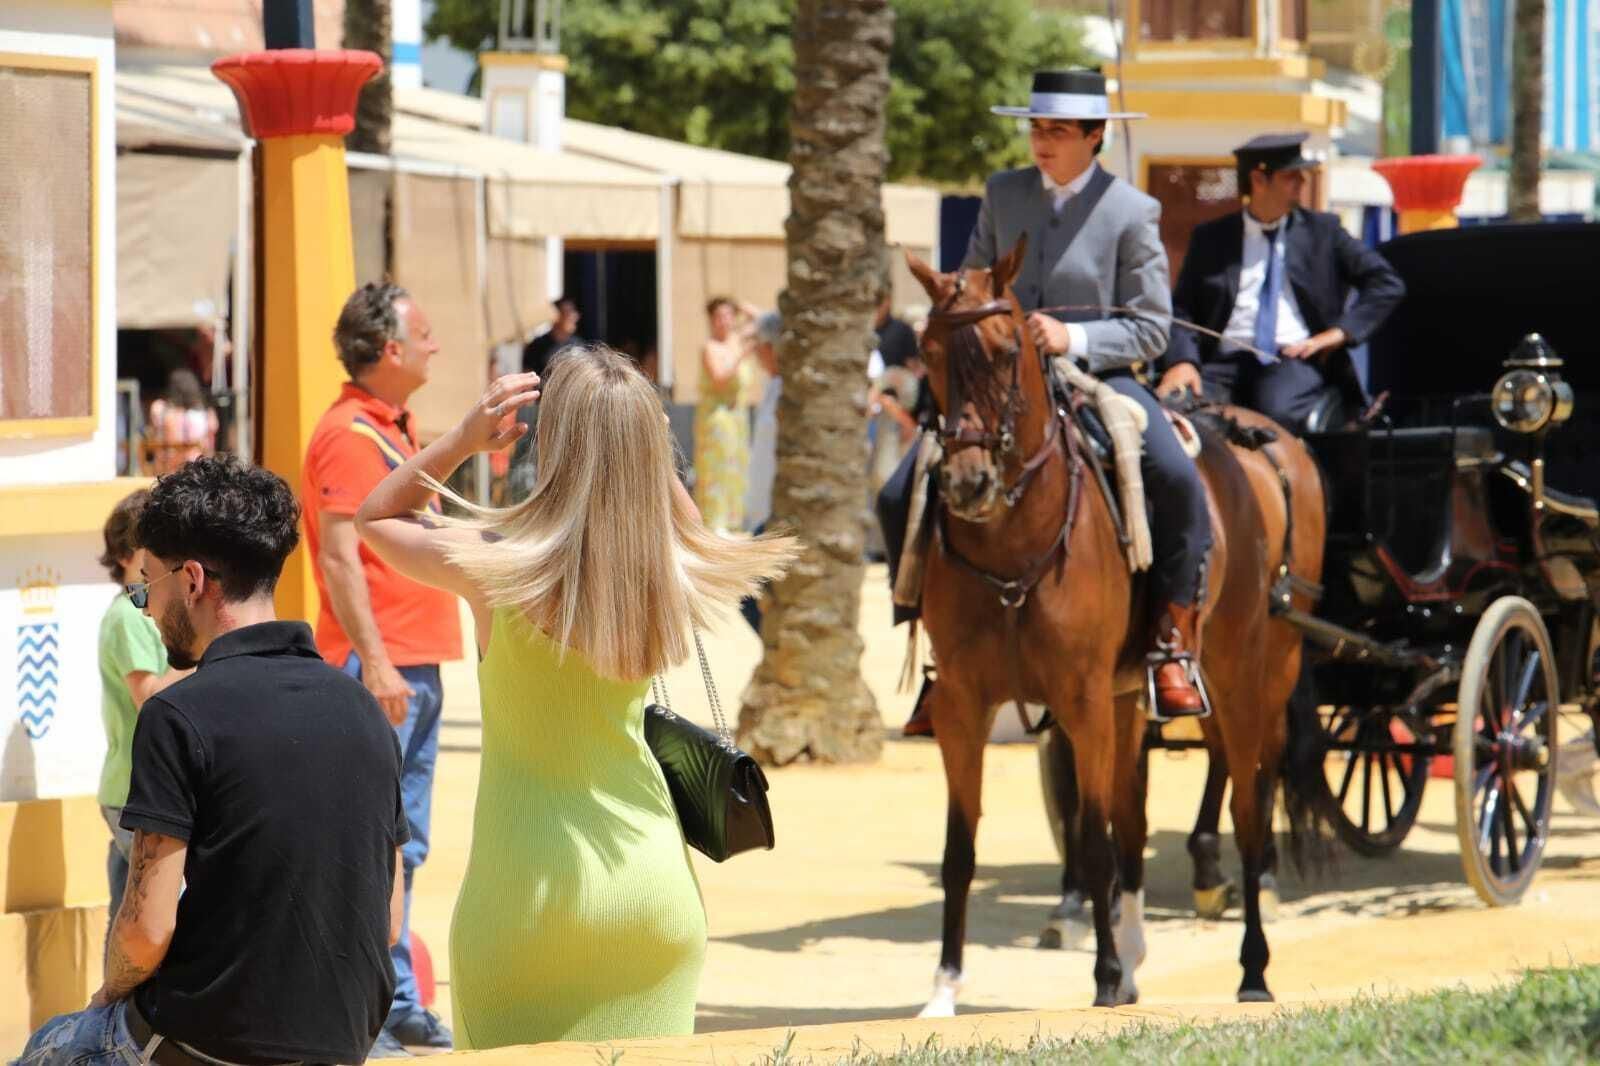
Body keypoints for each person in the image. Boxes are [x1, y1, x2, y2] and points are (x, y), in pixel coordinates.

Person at [352, 347, 796, 1048]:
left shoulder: (493, 560)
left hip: (524, 896)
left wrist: (467, 437)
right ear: (651, 447)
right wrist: (637, 433)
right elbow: (684, 520)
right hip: (650, 893)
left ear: (550, 441)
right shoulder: (670, 568)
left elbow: (376, 516)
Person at [13, 456, 407, 1066]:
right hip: (346, 1042)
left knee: (51, 1046)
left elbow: (145, 933)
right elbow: (387, 921)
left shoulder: (178, 715)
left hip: (205, 1045)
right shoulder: (364, 711)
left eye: (147, 586)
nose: (143, 606)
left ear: (192, 581)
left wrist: (105, 997)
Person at [880, 68, 1212, 720]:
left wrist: (1072, 335)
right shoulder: (1003, 193)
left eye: (1057, 131)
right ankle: (936, 652)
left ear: (1095, 137)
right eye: (1035, 128)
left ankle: (1170, 645)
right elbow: (973, 277)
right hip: (995, 382)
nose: (1041, 142)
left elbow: (1150, 328)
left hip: (1099, 377)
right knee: (898, 491)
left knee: (1175, 476)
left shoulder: (1132, 212)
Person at [303, 282, 462, 1052]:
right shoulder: (349, 435)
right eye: (424, 334)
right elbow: (339, 555)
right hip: (385, 665)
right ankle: (364, 1004)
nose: (435, 346)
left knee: (404, 843)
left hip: (413, 660)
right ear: (390, 350)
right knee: (373, 843)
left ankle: (392, 998)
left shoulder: (387, 427)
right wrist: (374, 661)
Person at [1156, 132, 1406, 430]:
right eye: (1291, 176)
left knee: (1275, 409)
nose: (1302, 182)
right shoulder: (1211, 238)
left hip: (1290, 362)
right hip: (1223, 362)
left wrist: (1339, 333)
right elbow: (1182, 309)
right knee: (1170, 410)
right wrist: (1182, 362)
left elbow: (1386, 283)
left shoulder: (1323, 232)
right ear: (1259, 180)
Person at [95, 490, 190, 941]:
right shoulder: (129, 616)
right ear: (134, 554)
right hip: (132, 792)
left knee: (126, 907)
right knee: (155, 905)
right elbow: (148, 697)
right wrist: (196, 651)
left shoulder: (135, 613)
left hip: (132, 790)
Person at [695, 296, 759, 532]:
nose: (723, 321)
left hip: (738, 417)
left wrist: (738, 304)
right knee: (716, 469)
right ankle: (715, 523)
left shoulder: (738, 338)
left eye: (727, 315)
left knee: (738, 466)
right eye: (718, 316)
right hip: (717, 418)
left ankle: (734, 521)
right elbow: (719, 379)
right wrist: (741, 356)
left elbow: (761, 319)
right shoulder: (710, 347)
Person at [145, 369, 218, 475]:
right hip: (197, 470)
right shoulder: (206, 414)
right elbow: (210, 446)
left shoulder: (159, 409)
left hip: (165, 469)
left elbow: (153, 435)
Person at [520, 294, 584, 379]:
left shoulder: (578, 345)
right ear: (556, 316)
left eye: (574, 312)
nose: (574, 317)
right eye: (568, 312)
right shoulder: (537, 346)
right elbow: (527, 378)